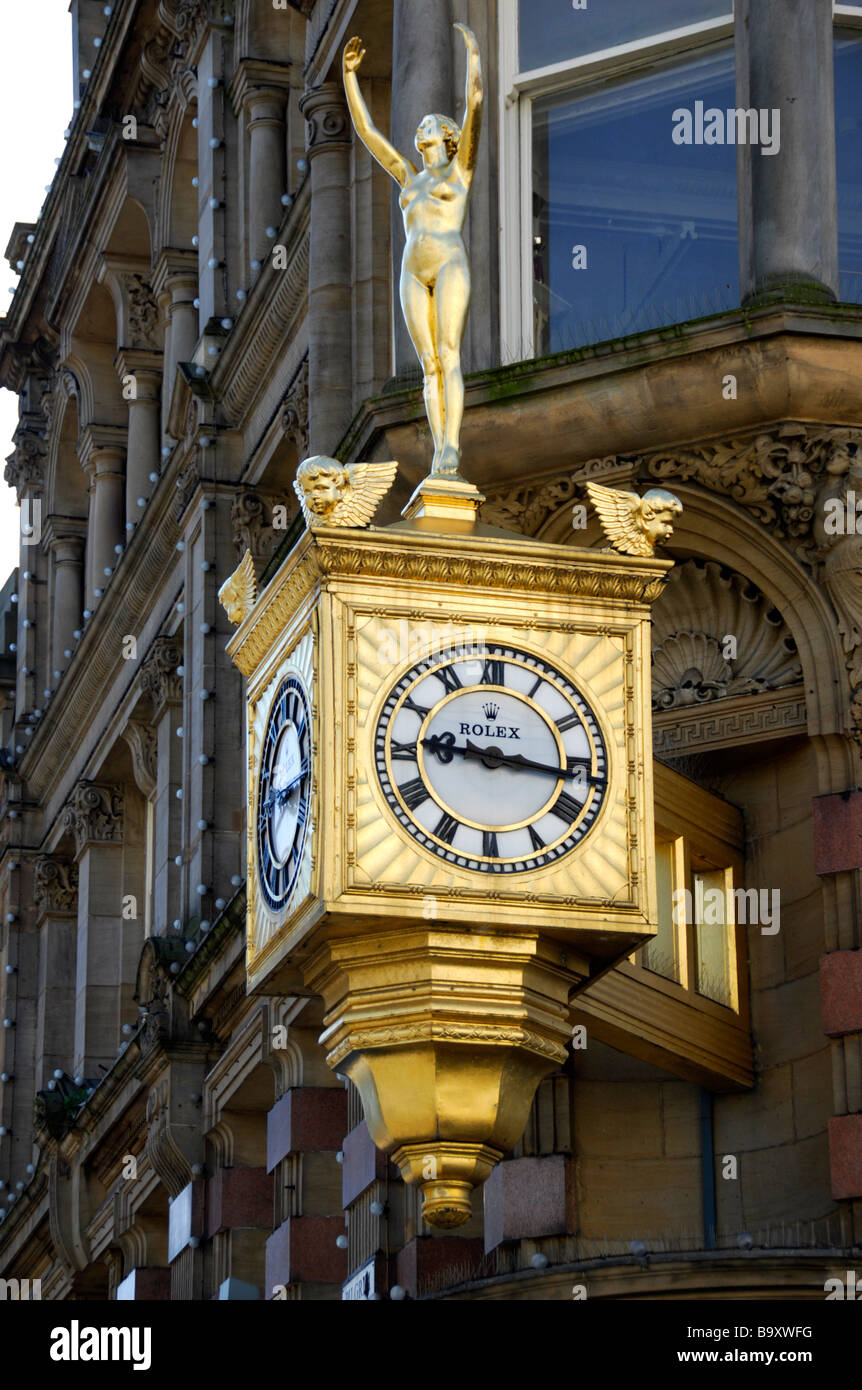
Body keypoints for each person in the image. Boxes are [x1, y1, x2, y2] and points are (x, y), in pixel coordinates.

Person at [343, 24, 482, 479]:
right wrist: (349, 77)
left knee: (448, 352)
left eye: (427, 125)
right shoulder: (408, 176)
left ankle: (452, 449)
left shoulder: (458, 173)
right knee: (427, 364)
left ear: (445, 136)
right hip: (412, 268)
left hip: (448, 261)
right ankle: (439, 446)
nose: (418, 128)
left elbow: (475, 104)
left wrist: (473, 58)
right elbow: (367, 132)